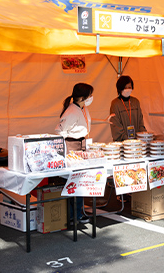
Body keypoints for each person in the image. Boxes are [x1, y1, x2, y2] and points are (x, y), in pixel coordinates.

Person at [55, 83, 94, 224]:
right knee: (74, 181)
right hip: (73, 146)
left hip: (81, 145)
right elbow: (60, 131)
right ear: (83, 97)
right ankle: (72, 215)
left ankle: (79, 212)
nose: (91, 98)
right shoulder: (71, 111)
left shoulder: (81, 108)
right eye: (89, 95)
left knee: (80, 181)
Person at [109, 75, 147, 141]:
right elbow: (115, 125)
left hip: (137, 142)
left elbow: (140, 121)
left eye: (129, 87)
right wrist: (127, 139)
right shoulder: (115, 104)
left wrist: (143, 136)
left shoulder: (135, 102)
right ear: (120, 88)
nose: (127, 89)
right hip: (122, 142)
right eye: (125, 87)